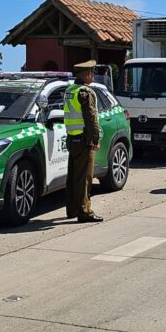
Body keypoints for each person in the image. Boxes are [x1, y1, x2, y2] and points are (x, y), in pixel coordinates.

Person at [64, 60, 103, 222]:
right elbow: (91, 118)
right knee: (85, 178)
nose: (93, 76)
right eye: (92, 73)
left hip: (72, 139)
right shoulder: (85, 92)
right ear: (87, 74)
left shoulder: (70, 90)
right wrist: (95, 139)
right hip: (84, 140)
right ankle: (84, 212)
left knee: (73, 176)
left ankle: (72, 209)